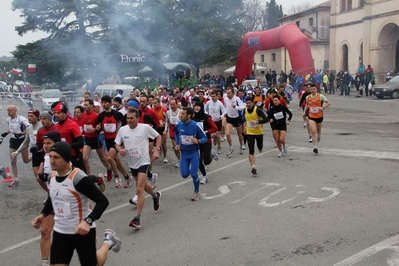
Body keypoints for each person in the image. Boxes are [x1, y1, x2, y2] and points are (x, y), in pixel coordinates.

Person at [31, 142, 120, 266]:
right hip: (61, 232)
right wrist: (43, 215)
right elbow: (53, 198)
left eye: (56, 157)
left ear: (66, 159)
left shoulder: (78, 178)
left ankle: (108, 242)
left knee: (95, 263)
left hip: (82, 232)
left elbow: (102, 201)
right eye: (50, 156)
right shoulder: (52, 177)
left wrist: (88, 221)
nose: (51, 161)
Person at [115, 109, 162, 229]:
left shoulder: (145, 127)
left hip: (144, 161)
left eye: (132, 118)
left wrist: (157, 150)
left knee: (139, 188)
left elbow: (158, 136)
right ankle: (155, 196)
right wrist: (120, 150)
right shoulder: (123, 129)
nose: (129, 120)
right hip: (132, 162)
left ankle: (137, 218)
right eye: (128, 118)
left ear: (137, 118)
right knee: (144, 185)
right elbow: (117, 143)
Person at [174, 107, 208, 201]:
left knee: (193, 174)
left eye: (183, 114)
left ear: (189, 115)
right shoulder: (179, 124)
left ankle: (197, 191)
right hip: (184, 153)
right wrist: (177, 144)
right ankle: (193, 170)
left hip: (194, 153)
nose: (181, 115)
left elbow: (205, 138)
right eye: (181, 113)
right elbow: (176, 133)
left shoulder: (195, 125)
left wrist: (198, 141)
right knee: (184, 174)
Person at [96, 95, 131, 187]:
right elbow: (99, 129)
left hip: (117, 140)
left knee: (109, 158)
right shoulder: (101, 116)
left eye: (106, 102)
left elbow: (125, 127)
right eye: (102, 102)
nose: (104, 104)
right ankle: (127, 177)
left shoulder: (117, 115)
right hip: (108, 140)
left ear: (110, 103)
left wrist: (124, 138)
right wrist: (98, 128)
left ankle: (116, 177)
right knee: (117, 161)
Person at [1, 105, 31, 186]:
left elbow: (29, 128)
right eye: (7, 110)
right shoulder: (8, 120)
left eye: (10, 110)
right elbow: (11, 128)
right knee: (13, 160)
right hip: (13, 141)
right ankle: (16, 179)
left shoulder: (21, 119)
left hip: (22, 140)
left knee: (26, 160)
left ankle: (35, 155)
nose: (8, 112)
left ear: (15, 110)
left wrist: (21, 133)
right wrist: (5, 133)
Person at [53, 102, 85, 170]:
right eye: (55, 113)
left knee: (80, 178)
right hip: (62, 157)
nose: (56, 115)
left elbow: (80, 143)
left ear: (65, 114)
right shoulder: (55, 127)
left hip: (75, 156)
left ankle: (98, 179)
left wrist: (66, 146)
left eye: (59, 113)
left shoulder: (72, 125)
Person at [192, 101, 218, 184]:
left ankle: (212, 154)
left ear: (201, 107)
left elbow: (215, 128)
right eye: (195, 106)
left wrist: (206, 131)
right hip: (197, 142)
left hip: (206, 141)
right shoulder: (192, 118)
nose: (196, 108)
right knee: (199, 161)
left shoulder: (206, 117)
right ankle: (204, 176)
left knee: (206, 161)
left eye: (198, 106)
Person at [243, 97, 268, 175]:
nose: (248, 105)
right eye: (247, 103)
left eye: (250, 103)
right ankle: (253, 166)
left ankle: (260, 147)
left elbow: (266, 119)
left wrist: (257, 122)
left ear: (253, 103)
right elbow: (245, 120)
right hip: (250, 133)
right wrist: (244, 127)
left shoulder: (257, 110)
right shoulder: (245, 110)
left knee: (259, 147)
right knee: (251, 150)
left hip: (259, 132)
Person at [303, 84, 331, 154]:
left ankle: (319, 134)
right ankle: (315, 146)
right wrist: (304, 112)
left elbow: (328, 103)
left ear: (316, 89)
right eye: (311, 89)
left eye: (314, 89)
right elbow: (307, 104)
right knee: (313, 130)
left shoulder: (320, 96)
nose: (312, 90)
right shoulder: (308, 97)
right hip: (311, 116)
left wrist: (323, 107)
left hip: (319, 116)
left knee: (318, 130)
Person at [223, 87, 246, 156]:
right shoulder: (226, 99)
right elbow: (225, 107)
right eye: (227, 93)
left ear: (233, 93)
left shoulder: (237, 99)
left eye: (229, 93)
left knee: (239, 134)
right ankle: (231, 148)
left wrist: (235, 107)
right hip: (230, 118)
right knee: (227, 134)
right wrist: (225, 113)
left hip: (237, 118)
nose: (228, 94)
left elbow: (243, 107)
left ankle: (241, 146)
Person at [164, 99, 182, 167]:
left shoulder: (181, 112)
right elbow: (167, 122)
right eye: (171, 104)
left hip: (180, 129)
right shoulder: (168, 112)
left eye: (173, 104)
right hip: (172, 130)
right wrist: (165, 130)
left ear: (177, 104)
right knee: (175, 147)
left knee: (182, 146)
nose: (172, 106)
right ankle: (179, 160)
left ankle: (185, 160)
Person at [153, 98, 169, 163]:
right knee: (155, 143)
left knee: (163, 143)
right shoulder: (152, 110)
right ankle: (160, 148)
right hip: (156, 128)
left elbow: (168, 119)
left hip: (163, 128)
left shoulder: (164, 109)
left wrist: (164, 123)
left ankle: (165, 156)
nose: (154, 105)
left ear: (159, 103)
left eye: (155, 103)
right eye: (153, 103)